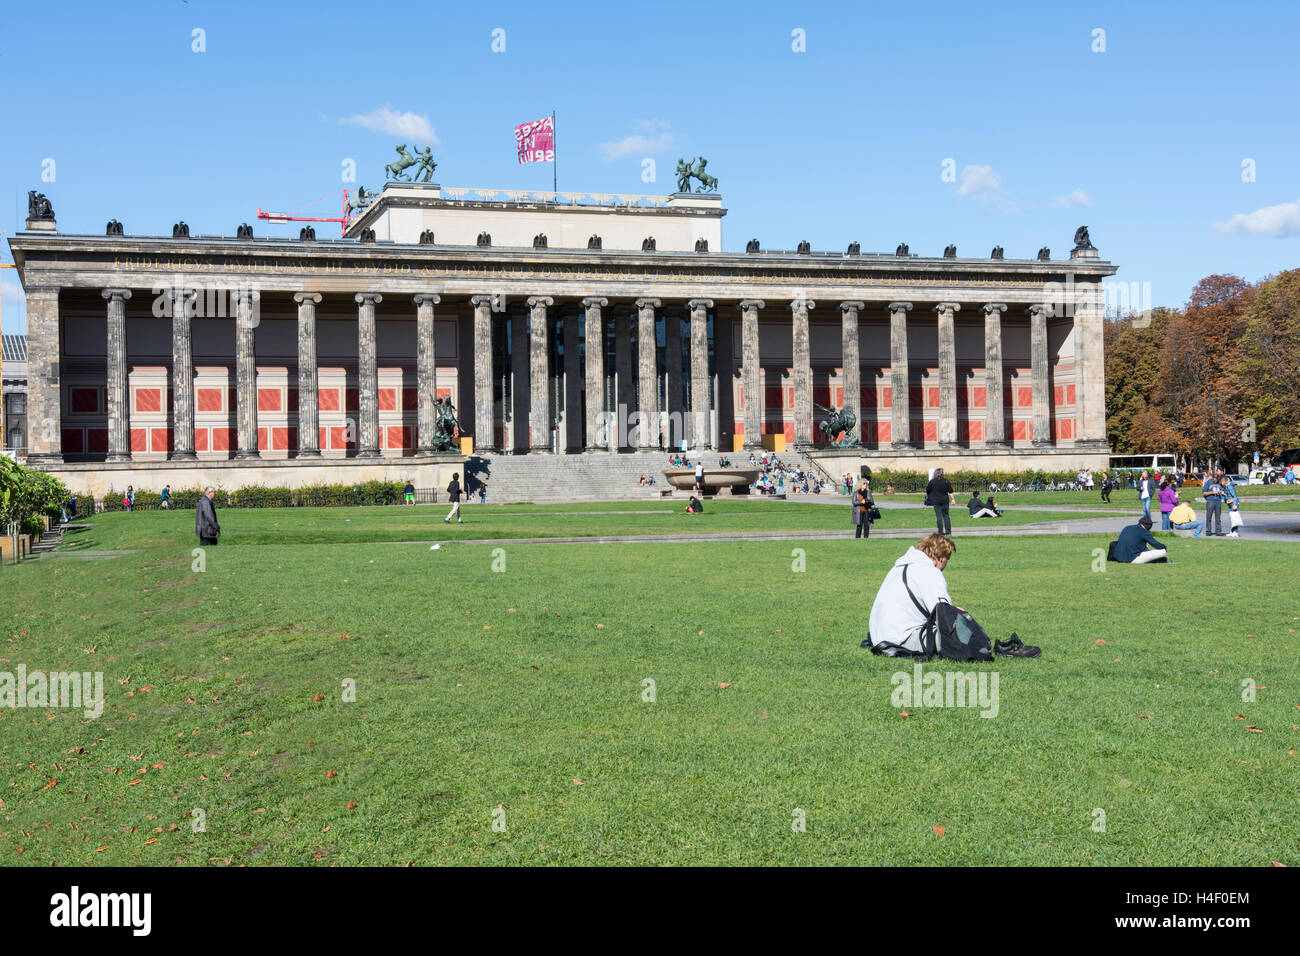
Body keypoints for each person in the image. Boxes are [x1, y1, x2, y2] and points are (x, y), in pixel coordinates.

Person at [865, 533, 1038, 658]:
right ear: (940, 557)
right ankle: (996, 649)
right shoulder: (929, 572)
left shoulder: (900, 567)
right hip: (900, 639)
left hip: (879, 635)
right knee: (960, 630)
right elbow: (945, 615)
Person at [925, 467, 954, 535]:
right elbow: (950, 491)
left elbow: (927, 490)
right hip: (945, 501)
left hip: (936, 501)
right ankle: (948, 531)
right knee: (946, 516)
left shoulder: (932, 481)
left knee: (939, 517)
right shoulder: (946, 481)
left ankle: (940, 531)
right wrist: (953, 499)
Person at [1202, 470, 1226, 537]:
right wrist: (1212, 492)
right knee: (1209, 517)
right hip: (1210, 501)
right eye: (1214, 479)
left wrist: (1222, 493)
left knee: (1218, 518)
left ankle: (1218, 531)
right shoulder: (1208, 483)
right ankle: (1208, 531)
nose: (1215, 480)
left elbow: (1223, 490)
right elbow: (1204, 493)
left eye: (1216, 479)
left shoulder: (1219, 483)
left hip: (1218, 501)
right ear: (1212, 478)